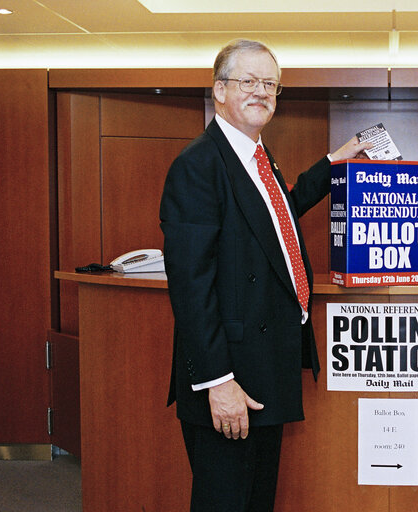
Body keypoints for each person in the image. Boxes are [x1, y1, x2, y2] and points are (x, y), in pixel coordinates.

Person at [159, 39, 371, 512]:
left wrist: (334, 163)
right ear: (219, 91)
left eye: (270, 84)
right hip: (228, 377)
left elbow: (278, 219)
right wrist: (217, 382)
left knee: (256, 501)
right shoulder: (198, 165)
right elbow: (191, 288)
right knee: (225, 502)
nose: (261, 92)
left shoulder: (260, 159)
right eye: (248, 82)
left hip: (266, 368)